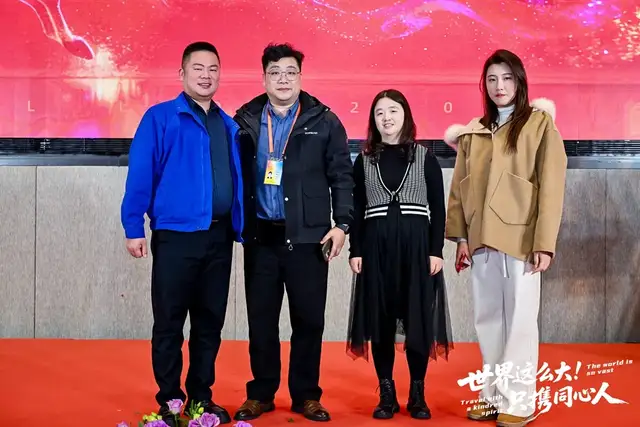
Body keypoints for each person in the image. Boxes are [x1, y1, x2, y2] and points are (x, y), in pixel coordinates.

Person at [120, 41, 244, 426]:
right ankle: (171, 401)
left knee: (209, 324)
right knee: (169, 323)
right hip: (176, 237)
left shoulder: (228, 125)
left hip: (219, 239)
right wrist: (133, 226)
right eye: (198, 68)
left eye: (213, 69)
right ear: (182, 74)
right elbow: (141, 174)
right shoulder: (160, 118)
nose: (206, 76)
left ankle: (200, 400)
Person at [444, 49, 567, 427]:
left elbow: (551, 186)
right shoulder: (474, 132)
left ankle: (521, 402)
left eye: (508, 78)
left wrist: (544, 243)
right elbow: (460, 189)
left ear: (520, 82)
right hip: (481, 241)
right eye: (492, 79)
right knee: (488, 322)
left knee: (519, 323)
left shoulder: (539, 125)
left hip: (521, 242)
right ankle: (493, 396)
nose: (500, 86)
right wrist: (461, 238)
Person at [233, 43, 354, 423]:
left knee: (309, 321)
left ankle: (306, 396)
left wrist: (342, 224)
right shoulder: (246, 120)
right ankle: (261, 394)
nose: (283, 79)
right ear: (264, 78)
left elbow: (342, 176)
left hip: (308, 238)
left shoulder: (324, 120)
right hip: (261, 238)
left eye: (290, 72)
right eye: (275, 72)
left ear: (300, 76)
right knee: (261, 322)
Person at [346, 89, 454, 420]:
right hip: (376, 251)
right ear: (373, 120)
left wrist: (436, 251)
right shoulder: (363, 160)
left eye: (393, 110)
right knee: (380, 321)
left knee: (417, 319)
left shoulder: (425, 157)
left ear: (405, 114)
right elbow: (357, 209)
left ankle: (417, 393)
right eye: (380, 112)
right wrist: (355, 250)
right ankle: (387, 392)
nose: (387, 118)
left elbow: (438, 208)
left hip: (417, 250)